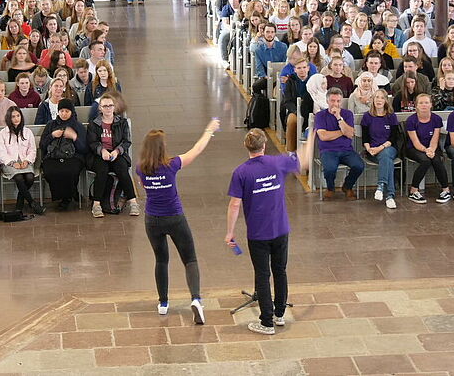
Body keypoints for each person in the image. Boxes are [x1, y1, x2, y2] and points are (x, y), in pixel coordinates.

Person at [224, 128, 313, 335]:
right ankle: (279, 314)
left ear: (247, 147)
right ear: (264, 145)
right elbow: (304, 160)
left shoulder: (241, 172)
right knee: (280, 271)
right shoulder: (277, 162)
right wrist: (311, 137)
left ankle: (266, 322)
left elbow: (234, 205)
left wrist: (230, 232)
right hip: (281, 229)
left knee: (262, 276)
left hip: (258, 233)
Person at [136, 119, 220, 322]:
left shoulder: (140, 168)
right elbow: (196, 150)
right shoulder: (172, 164)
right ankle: (196, 299)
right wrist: (209, 130)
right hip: (175, 217)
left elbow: (142, 188)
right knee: (189, 259)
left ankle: (163, 302)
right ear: (162, 148)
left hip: (152, 220)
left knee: (161, 259)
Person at [87, 94, 137, 218]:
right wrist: (102, 150)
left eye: (110, 105)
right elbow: (92, 143)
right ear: (100, 108)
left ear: (114, 107)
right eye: (105, 106)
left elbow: (126, 141)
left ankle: (133, 202)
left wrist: (117, 151)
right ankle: (96, 204)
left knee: (122, 170)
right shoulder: (94, 124)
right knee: (102, 171)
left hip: (117, 153)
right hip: (100, 155)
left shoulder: (122, 122)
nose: (108, 108)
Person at [314, 88, 363, 200]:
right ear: (327, 101)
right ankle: (330, 188)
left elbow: (350, 134)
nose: (335, 104)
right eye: (332, 100)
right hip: (328, 151)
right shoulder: (320, 115)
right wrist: (343, 132)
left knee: (359, 165)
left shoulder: (347, 114)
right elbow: (323, 136)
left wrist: (339, 118)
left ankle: (347, 186)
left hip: (347, 150)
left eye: (338, 101)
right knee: (330, 169)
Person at [404, 93, 451, 204]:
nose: (424, 105)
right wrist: (426, 150)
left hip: (432, 147)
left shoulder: (436, 119)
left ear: (431, 105)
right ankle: (414, 190)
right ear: (416, 105)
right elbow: (415, 142)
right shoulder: (411, 120)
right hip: (415, 148)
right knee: (425, 161)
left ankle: (446, 190)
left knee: (436, 160)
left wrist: (431, 150)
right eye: (421, 103)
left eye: (426, 102)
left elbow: (435, 139)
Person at [40, 99, 87, 210]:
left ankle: (66, 199)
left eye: (67, 111)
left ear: (71, 112)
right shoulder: (51, 124)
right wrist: (52, 135)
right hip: (53, 156)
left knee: (70, 170)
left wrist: (74, 137)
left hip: (73, 156)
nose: (64, 114)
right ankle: (69, 194)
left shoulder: (78, 126)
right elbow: (42, 145)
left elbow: (84, 148)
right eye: (61, 111)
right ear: (58, 111)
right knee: (50, 171)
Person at [360, 91, 400, 207]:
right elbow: (365, 138)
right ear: (373, 100)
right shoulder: (367, 116)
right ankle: (390, 196)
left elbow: (393, 138)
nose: (379, 100)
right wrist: (370, 149)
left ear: (386, 101)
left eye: (382, 98)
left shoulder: (391, 116)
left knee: (386, 154)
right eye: (377, 97)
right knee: (388, 162)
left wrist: (380, 148)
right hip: (372, 151)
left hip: (389, 148)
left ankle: (381, 185)